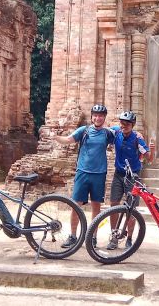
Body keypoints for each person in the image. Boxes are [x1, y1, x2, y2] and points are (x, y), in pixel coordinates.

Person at [53, 104, 115, 248]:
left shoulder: (107, 133)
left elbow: (121, 136)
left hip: (99, 174)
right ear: (92, 117)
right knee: (75, 206)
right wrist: (56, 137)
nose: (98, 118)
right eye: (96, 115)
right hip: (83, 172)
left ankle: (92, 237)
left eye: (101, 116)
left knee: (96, 207)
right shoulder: (84, 131)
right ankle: (73, 236)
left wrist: (137, 135)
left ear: (104, 118)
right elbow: (68, 140)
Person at [106, 110, 148, 250]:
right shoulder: (116, 132)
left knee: (132, 208)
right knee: (114, 204)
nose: (124, 126)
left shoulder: (137, 138)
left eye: (127, 124)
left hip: (133, 175)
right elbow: (103, 130)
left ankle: (129, 238)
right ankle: (114, 236)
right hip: (119, 174)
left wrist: (151, 151)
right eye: (122, 123)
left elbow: (147, 155)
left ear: (133, 125)